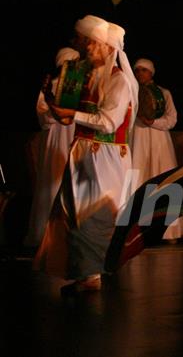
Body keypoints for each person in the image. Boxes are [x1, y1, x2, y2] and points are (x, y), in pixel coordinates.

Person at [34, 15, 138, 295]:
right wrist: (54, 103)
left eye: (92, 43)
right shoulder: (85, 77)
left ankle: (93, 273)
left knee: (95, 214)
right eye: (87, 42)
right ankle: (85, 273)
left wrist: (72, 114)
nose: (87, 48)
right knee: (74, 213)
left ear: (107, 47)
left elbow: (109, 122)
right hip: (82, 152)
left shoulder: (119, 82)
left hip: (106, 155)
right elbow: (67, 121)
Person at [131, 58, 183, 242]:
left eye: (144, 70)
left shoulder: (164, 93)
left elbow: (172, 120)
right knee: (138, 178)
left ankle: (169, 231)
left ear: (151, 72)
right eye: (137, 70)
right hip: (138, 139)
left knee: (162, 179)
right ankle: (136, 231)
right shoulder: (132, 93)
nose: (140, 73)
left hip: (159, 140)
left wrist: (153, 122)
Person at [25, 47, 80, 247]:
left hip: (76, 138)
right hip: (55, 140)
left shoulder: (83, 87)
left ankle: (74, 235)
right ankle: (45, 236)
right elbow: (43, 118)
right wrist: (56, 110)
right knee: (51, 185)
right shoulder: (51, 87)